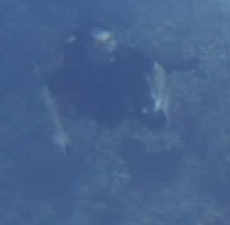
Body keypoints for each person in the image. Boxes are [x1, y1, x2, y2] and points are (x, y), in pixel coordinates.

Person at [41, 24, 171, 151]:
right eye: (104, 43)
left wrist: (160, 102)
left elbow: (157, 69)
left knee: (157, 122)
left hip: (129, 97)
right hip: (100, 108)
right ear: (88, 49)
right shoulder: (75, 69)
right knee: (107, 119)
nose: (112, 45)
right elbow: (46, 91)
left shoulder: (126, 56)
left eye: (112, 39)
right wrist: (58, 130)